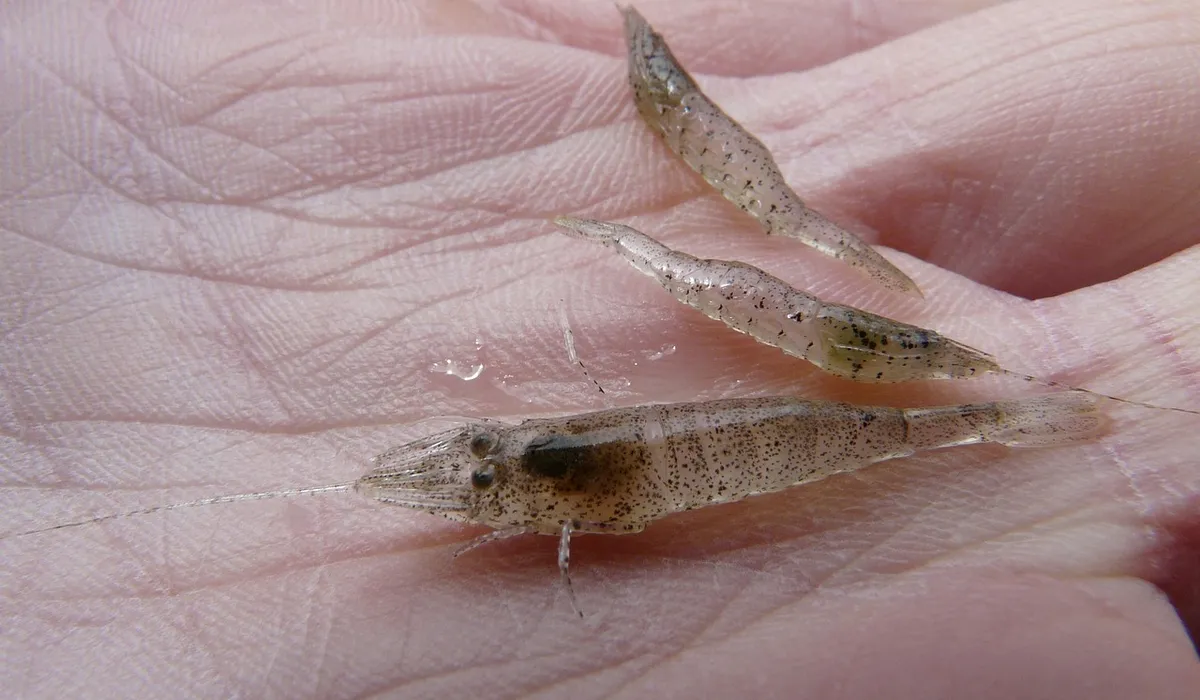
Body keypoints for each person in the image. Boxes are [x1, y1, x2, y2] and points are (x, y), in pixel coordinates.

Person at [2, 1, 1197, 697]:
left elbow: (582, 490)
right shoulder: (528, 471)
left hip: (768, 437)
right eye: (486, 465)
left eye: (483, 460)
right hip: (747, 432)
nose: (471, 461)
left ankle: (990, 416)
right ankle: (992, 414)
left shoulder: (553, 475)